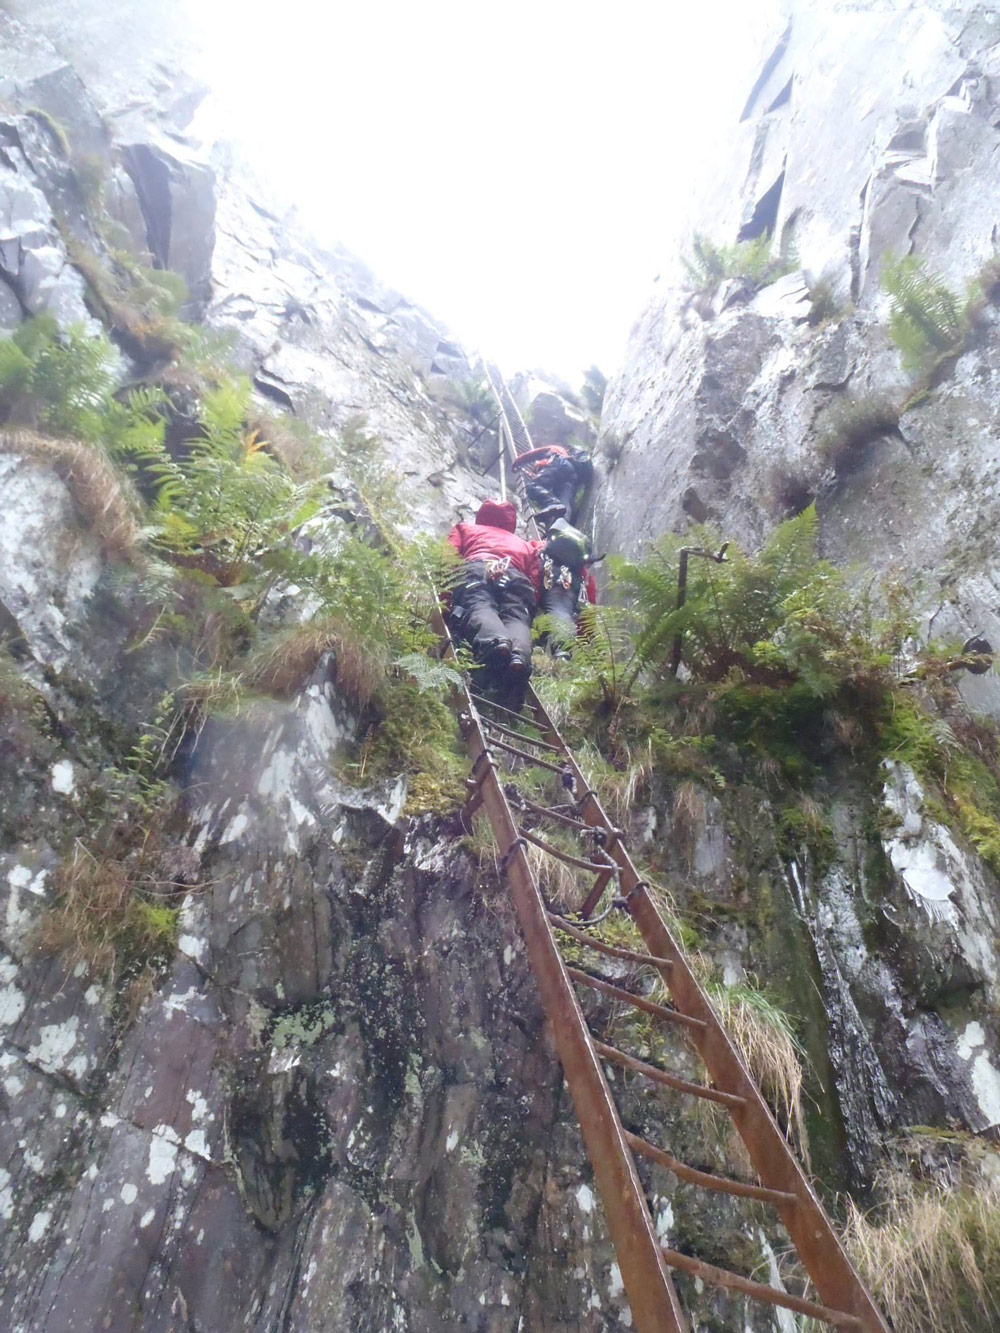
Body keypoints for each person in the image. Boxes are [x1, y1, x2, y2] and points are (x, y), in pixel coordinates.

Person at [446, 499, 544, 709]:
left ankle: (496, 642)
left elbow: (448, 558)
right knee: (516, 618)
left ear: (482, 515)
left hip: (479, 566)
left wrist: (445, 599)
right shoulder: (525, 544)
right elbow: (534, 578)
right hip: (517, 576)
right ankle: (518, 656)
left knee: (480, 605)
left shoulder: (465, 529)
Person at [537, 518, 596, 657]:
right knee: (560, 609)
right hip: (569, 582)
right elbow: (588, 609)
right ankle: (563, 650)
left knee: (557, 609)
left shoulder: (543, 549)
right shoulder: (584, 576)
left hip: (547, 572)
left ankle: (561, 648)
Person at [511, 443, 594, 525]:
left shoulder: (556, 450)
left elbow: (533, 454)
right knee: (564, 504)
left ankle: (552, 503)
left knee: (533, 487)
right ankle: (562, 525)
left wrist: (517, 462)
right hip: (571, 478)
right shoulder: (572, 463)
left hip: (559, 463)